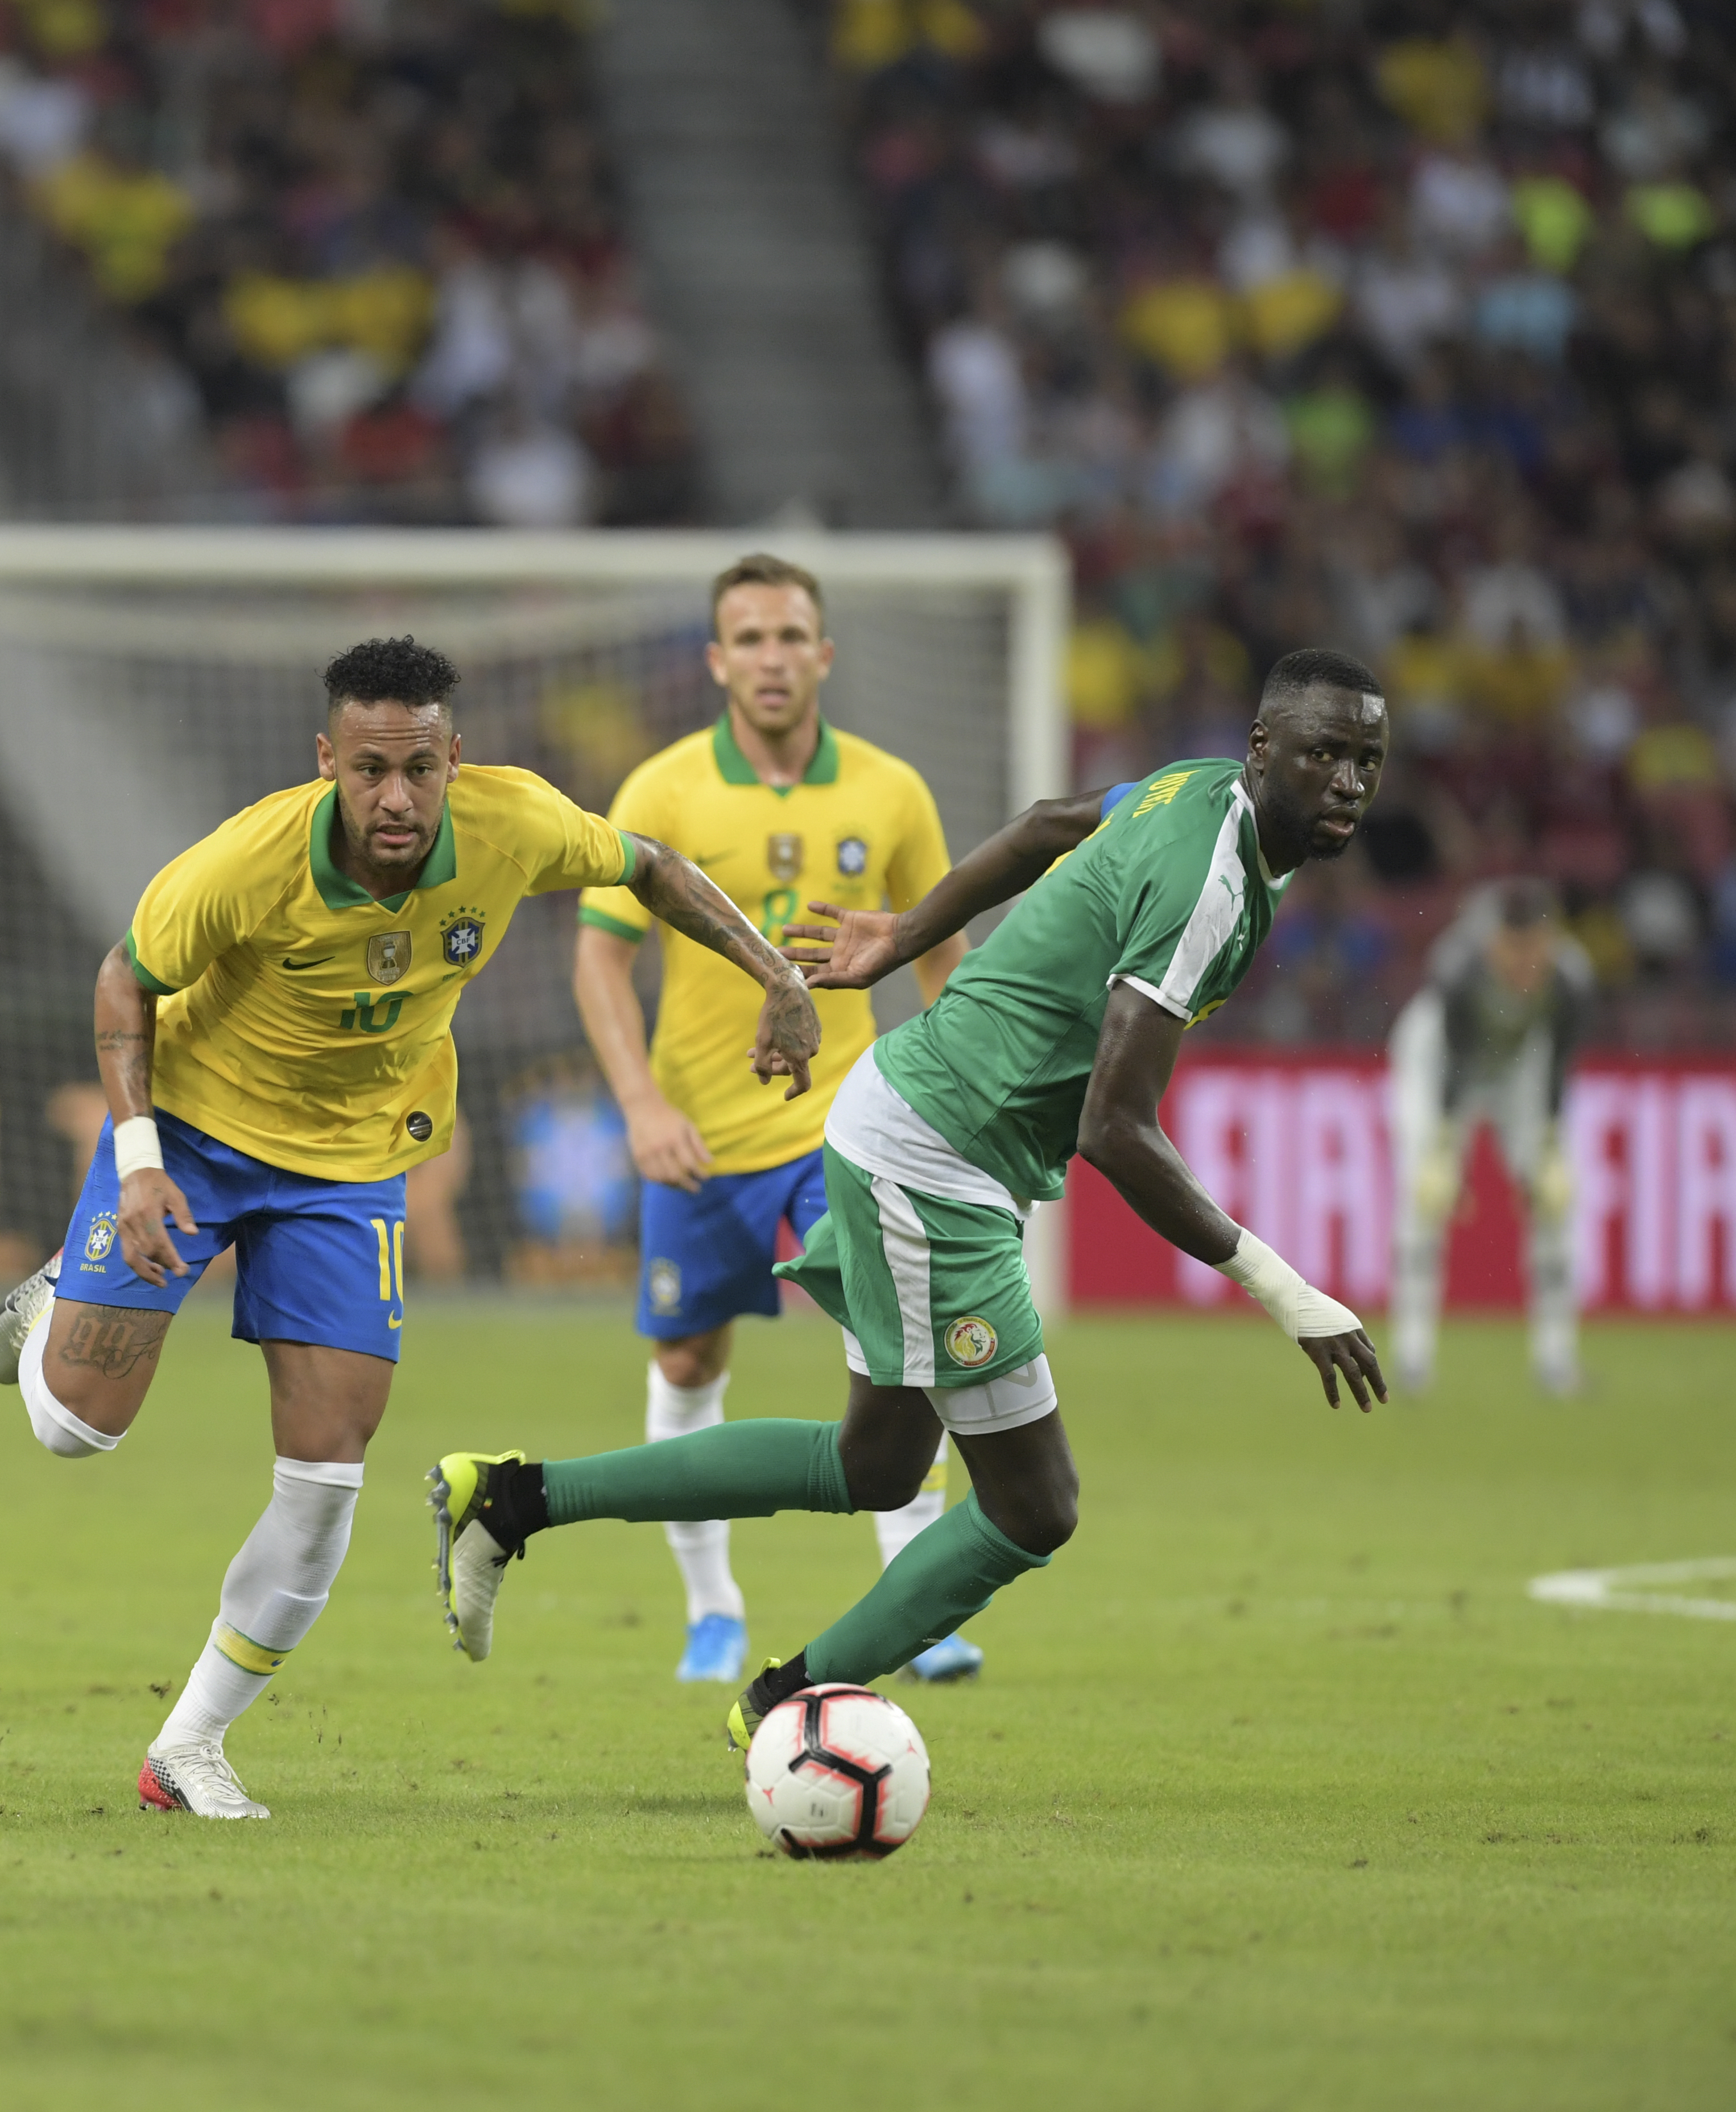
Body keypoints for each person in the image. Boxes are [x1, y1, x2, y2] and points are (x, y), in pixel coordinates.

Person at [429, 649, 1394, 1751]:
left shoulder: (1192, 785)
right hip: (935, 1162)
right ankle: (784, 1705)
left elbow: (1042, 824)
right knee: (1036, 1503)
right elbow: (1115, 1130)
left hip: (923, 1133)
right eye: (1323, 752)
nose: (1349, 781)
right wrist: (1287, 1289)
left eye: (1367, 758)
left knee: (874, 1463)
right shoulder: (1208, 883)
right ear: (1265, 749)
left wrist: (904, 932)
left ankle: (509, 1497)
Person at [0, 635, 824, 1818]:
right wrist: (136, 1162)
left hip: (356, 1163)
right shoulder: (246, 860)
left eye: (420, 768)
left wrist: (776, 972)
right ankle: (51, 1307)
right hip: (198, 1134)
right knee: (74, 1430)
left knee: (328, 1474)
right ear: (328, 758)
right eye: (370, 768)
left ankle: (188, 1747)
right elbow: (125, 980)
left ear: (452, 756)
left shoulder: (514, 822)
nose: (396, 796)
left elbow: (654, 867)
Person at [573, 554, 977, 1689]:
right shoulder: (659, 791)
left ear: (824, 654)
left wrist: (966, 1101)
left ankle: (921, 1602)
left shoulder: (892, 791)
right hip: (697, 1138)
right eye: (746, 638)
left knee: (897, 1334)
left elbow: (943, 953)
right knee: (690, 1355)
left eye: (790, 635)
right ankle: (713, 1609)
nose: (770, 657)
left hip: (847, 1128)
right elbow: (599, 962)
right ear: (715, 660)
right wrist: (642, 1104)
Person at [1388, 877, 1590, 1396]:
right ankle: (1412, 1358)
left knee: (1554, 1201)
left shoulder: (1570, 980)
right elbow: (1455, 1065)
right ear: (1492, 942)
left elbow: (1557, 1066)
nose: (1525, 962)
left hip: (1517, 1065)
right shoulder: (1458, 971)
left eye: (1536, 947)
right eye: (1514, 947)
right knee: (1424, 1201)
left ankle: (1556, 1359)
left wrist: (1546, 1144)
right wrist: (1443, 1154)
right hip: (1436, 1063)